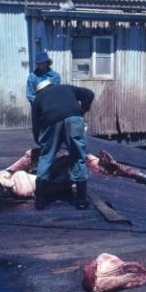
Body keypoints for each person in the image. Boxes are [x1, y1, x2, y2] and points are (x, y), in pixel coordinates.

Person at [32, 79, 94, 210]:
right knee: (78, 156)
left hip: (51, 121)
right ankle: (82, 200)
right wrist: (81, 111)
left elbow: (36, 124)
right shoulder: (66, 88)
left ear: (39, 91)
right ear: (51, 85)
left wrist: (40, 141)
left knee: (46, 157)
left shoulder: (38, 98)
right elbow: (89, 94)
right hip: (74, 119)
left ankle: (40, 201)